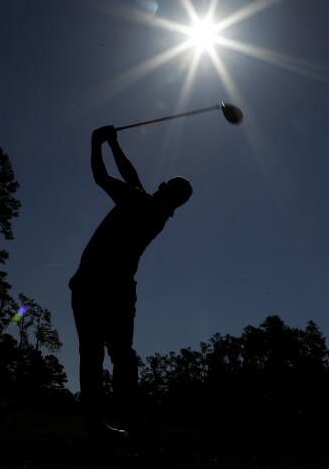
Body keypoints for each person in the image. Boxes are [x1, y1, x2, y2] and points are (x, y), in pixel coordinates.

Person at [69, 125, 193, 442]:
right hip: (118, 289)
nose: (160, 182)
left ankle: (98, 421)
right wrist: (113, 142)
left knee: (94, 353)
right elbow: (131, 177)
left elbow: (102, 177)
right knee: (121, 355)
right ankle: (129, 416)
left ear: (165, 188)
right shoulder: (154, 210)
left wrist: (97, 144)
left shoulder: (141, 203)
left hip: (94, 284)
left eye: (165, 182)